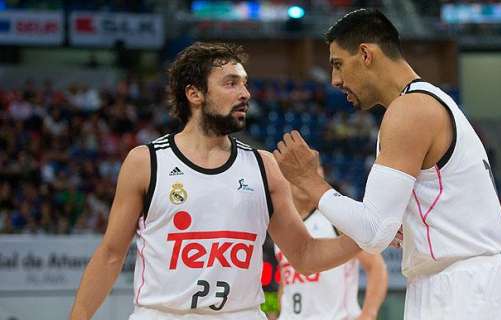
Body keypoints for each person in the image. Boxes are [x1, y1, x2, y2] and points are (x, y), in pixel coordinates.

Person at [69, 42, 361, 320]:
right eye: (231, 83)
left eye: (244, 83)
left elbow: (305, 254)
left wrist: (370, 234)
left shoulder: (264, 166)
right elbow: (110, 255)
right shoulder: (145, 162)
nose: (245, 93)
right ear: (195, 94)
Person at [273, 8, 501, 320]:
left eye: (338, 65)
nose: (335, 80)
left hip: (461, 288)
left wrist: (310, 180)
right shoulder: (423, 103)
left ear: (365, 54)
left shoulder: (410, 110)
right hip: (458, 283)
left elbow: (374, 232)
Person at [275, 175, 388, 320]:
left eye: (312, 170)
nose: (301, 176)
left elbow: (376, 267)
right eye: (296, 172)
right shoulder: (281, 226)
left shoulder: (336, 218)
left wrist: (368, 314)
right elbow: (286, 281)